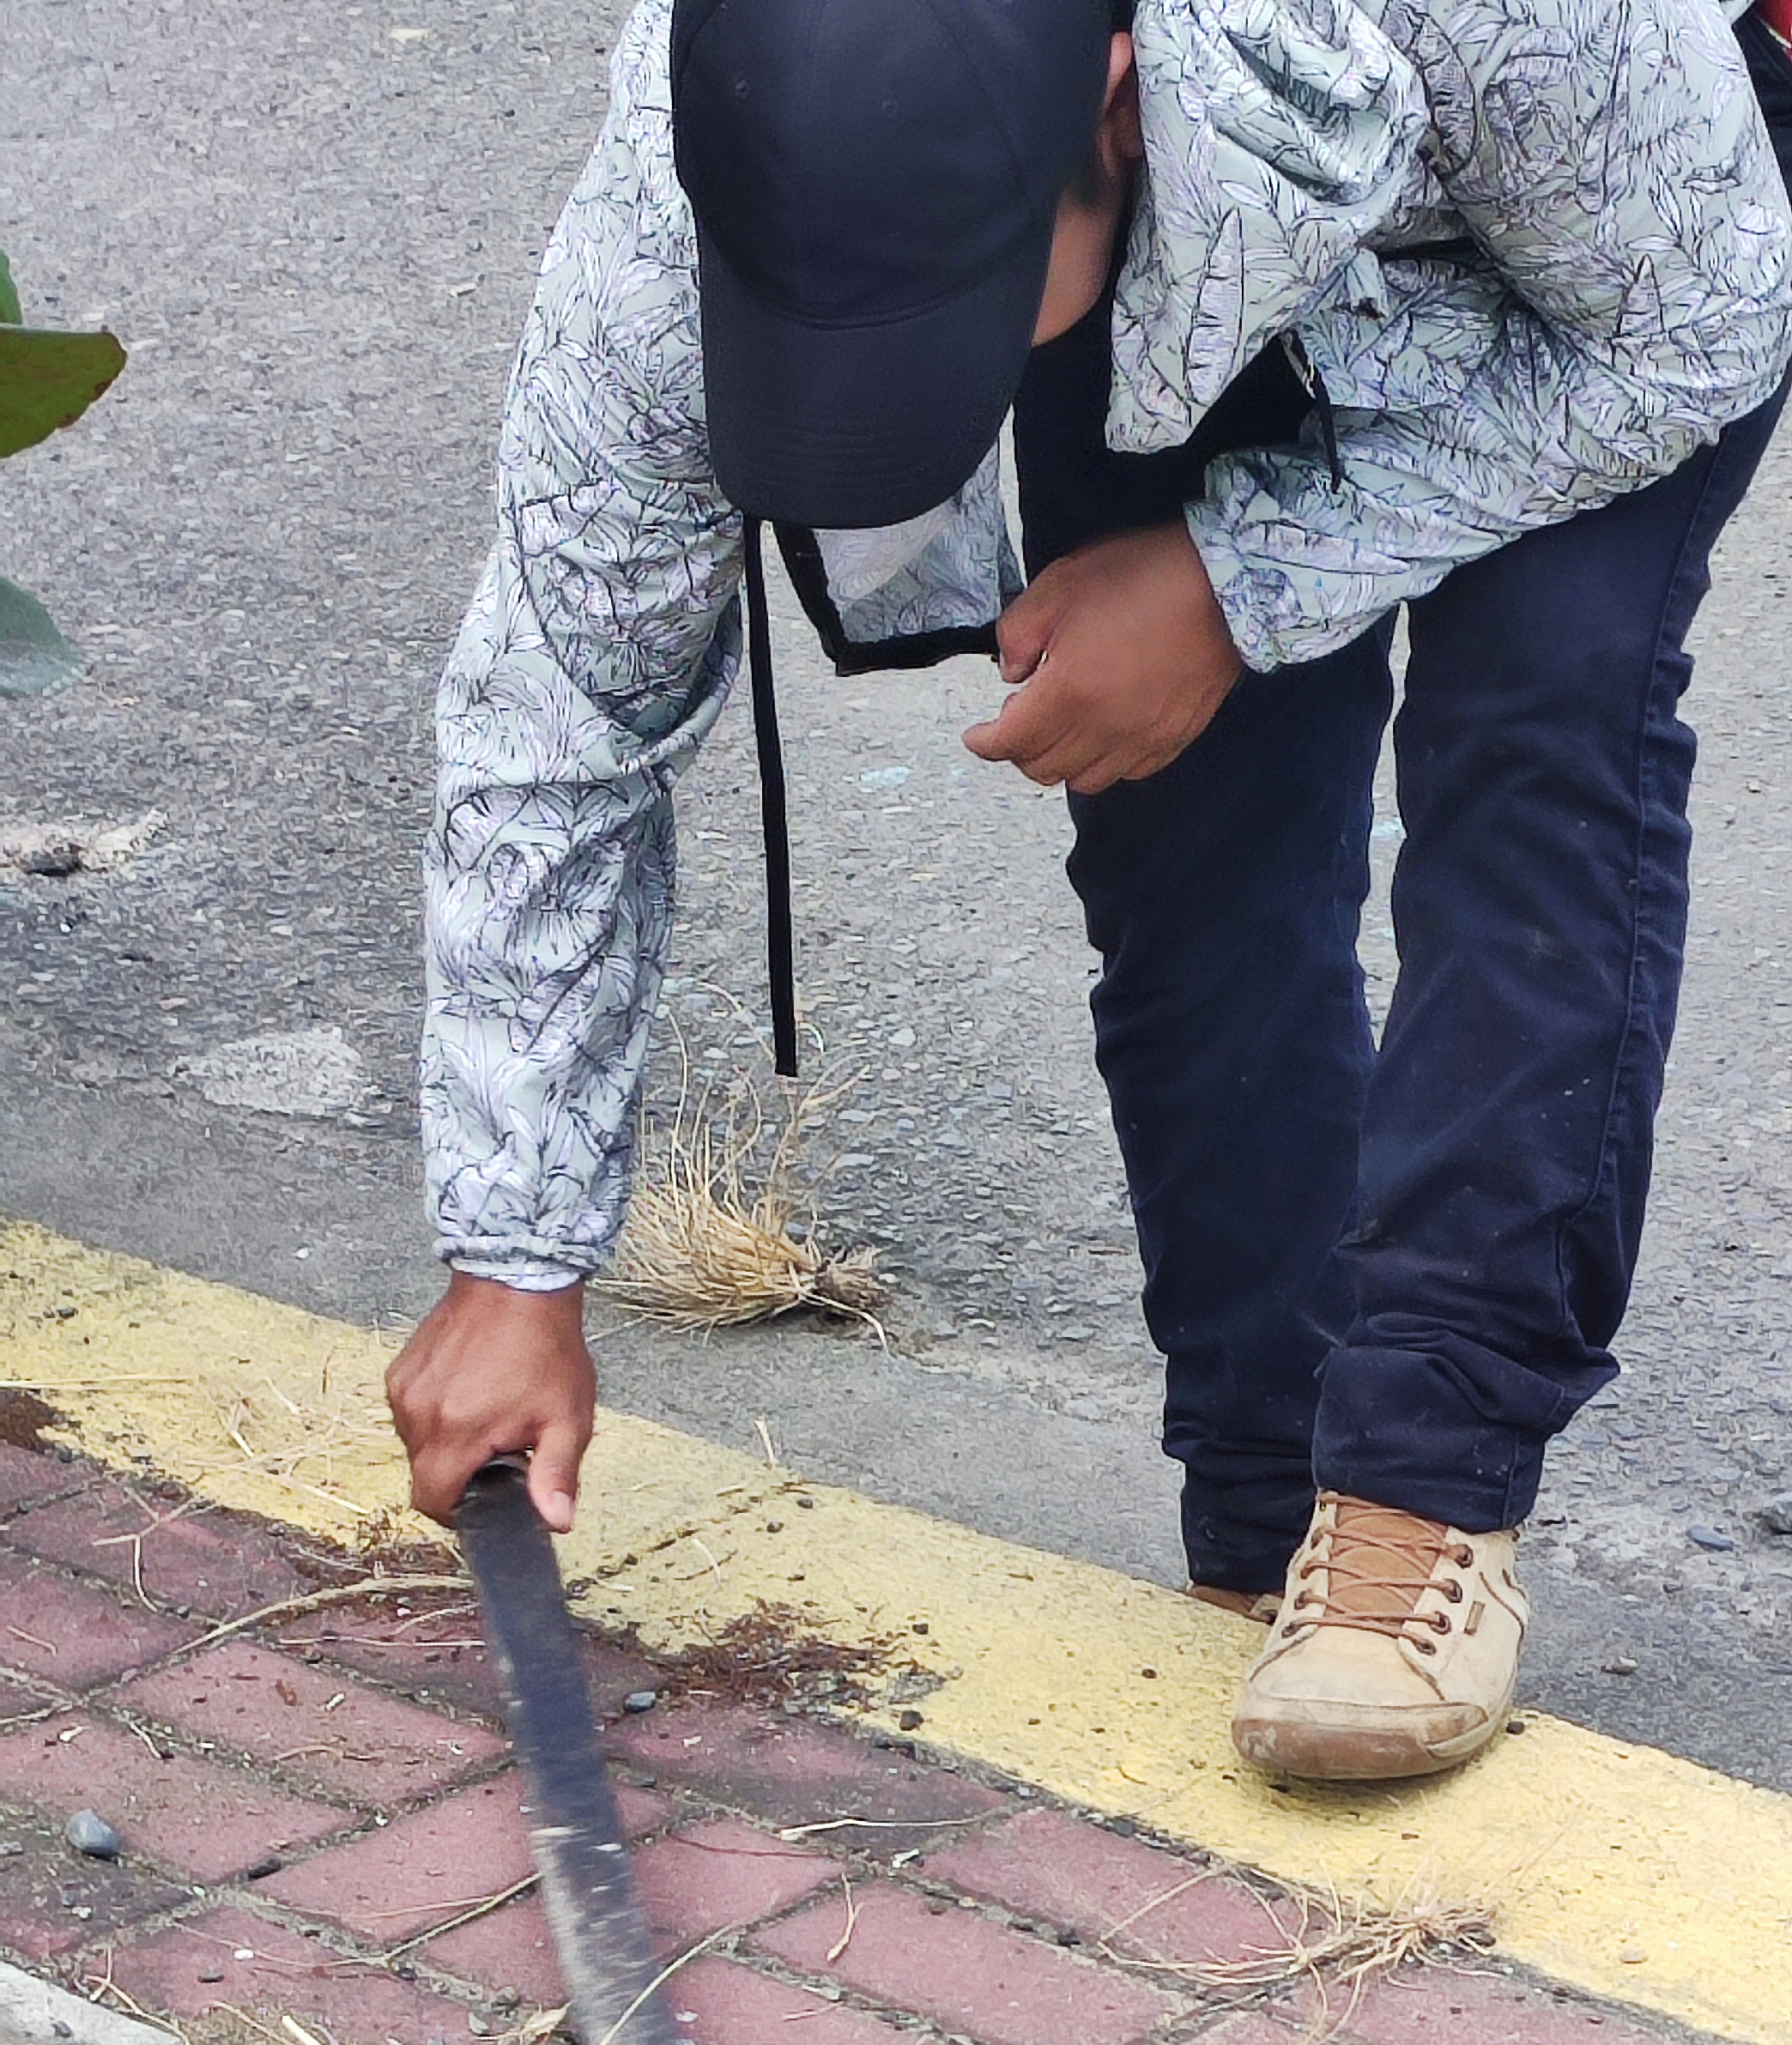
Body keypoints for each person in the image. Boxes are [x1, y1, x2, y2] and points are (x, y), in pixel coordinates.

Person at [389, 0, 1792, 1784]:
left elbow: (1697, 326)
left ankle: (1419, 1492)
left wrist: (1232, 572)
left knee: (1540, 715)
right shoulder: (708, 132)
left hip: (1609, 236)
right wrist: (513, 1261)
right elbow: (563, 702)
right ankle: (1274, 1497)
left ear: (1113, 102)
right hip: (1179, 236)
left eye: (944, 323)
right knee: (1188, 817)